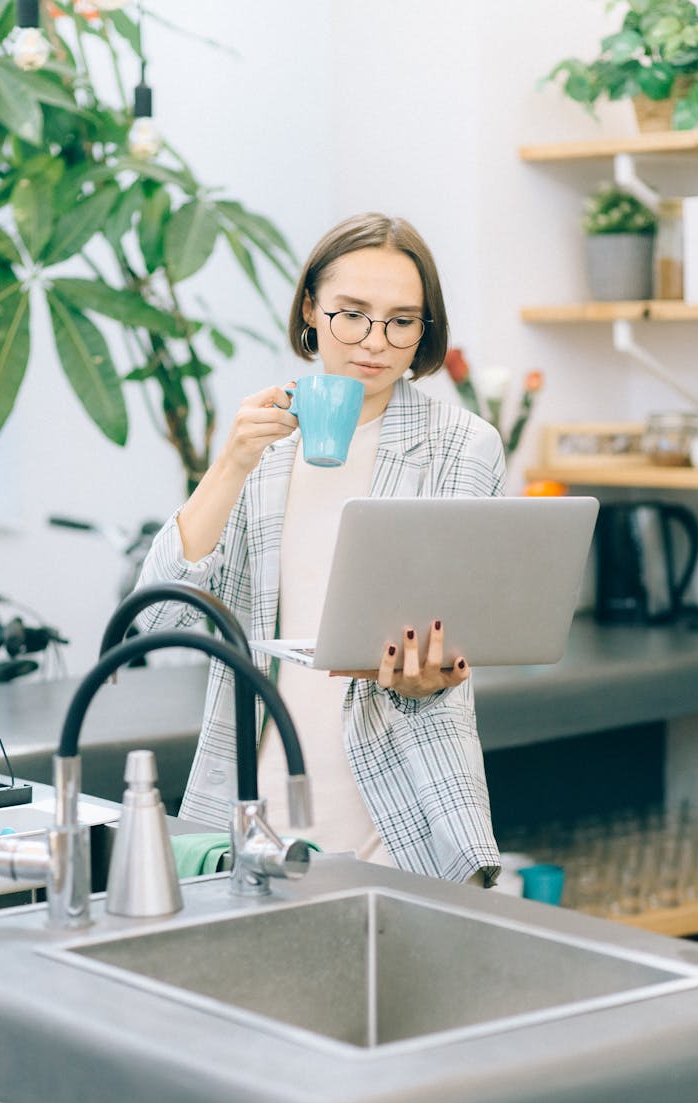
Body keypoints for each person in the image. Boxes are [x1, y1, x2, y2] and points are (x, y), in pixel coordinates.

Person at [135, 212, 505, 886]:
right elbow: (156, 620)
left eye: (401, 320)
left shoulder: (463, 444)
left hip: (407, 807)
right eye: (351, 314)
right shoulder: (262, 442)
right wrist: (229, 465)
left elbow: (465, 633)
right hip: (256, 800)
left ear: (426, 328)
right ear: (311, 308)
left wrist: (435, 671)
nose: (374, 341)